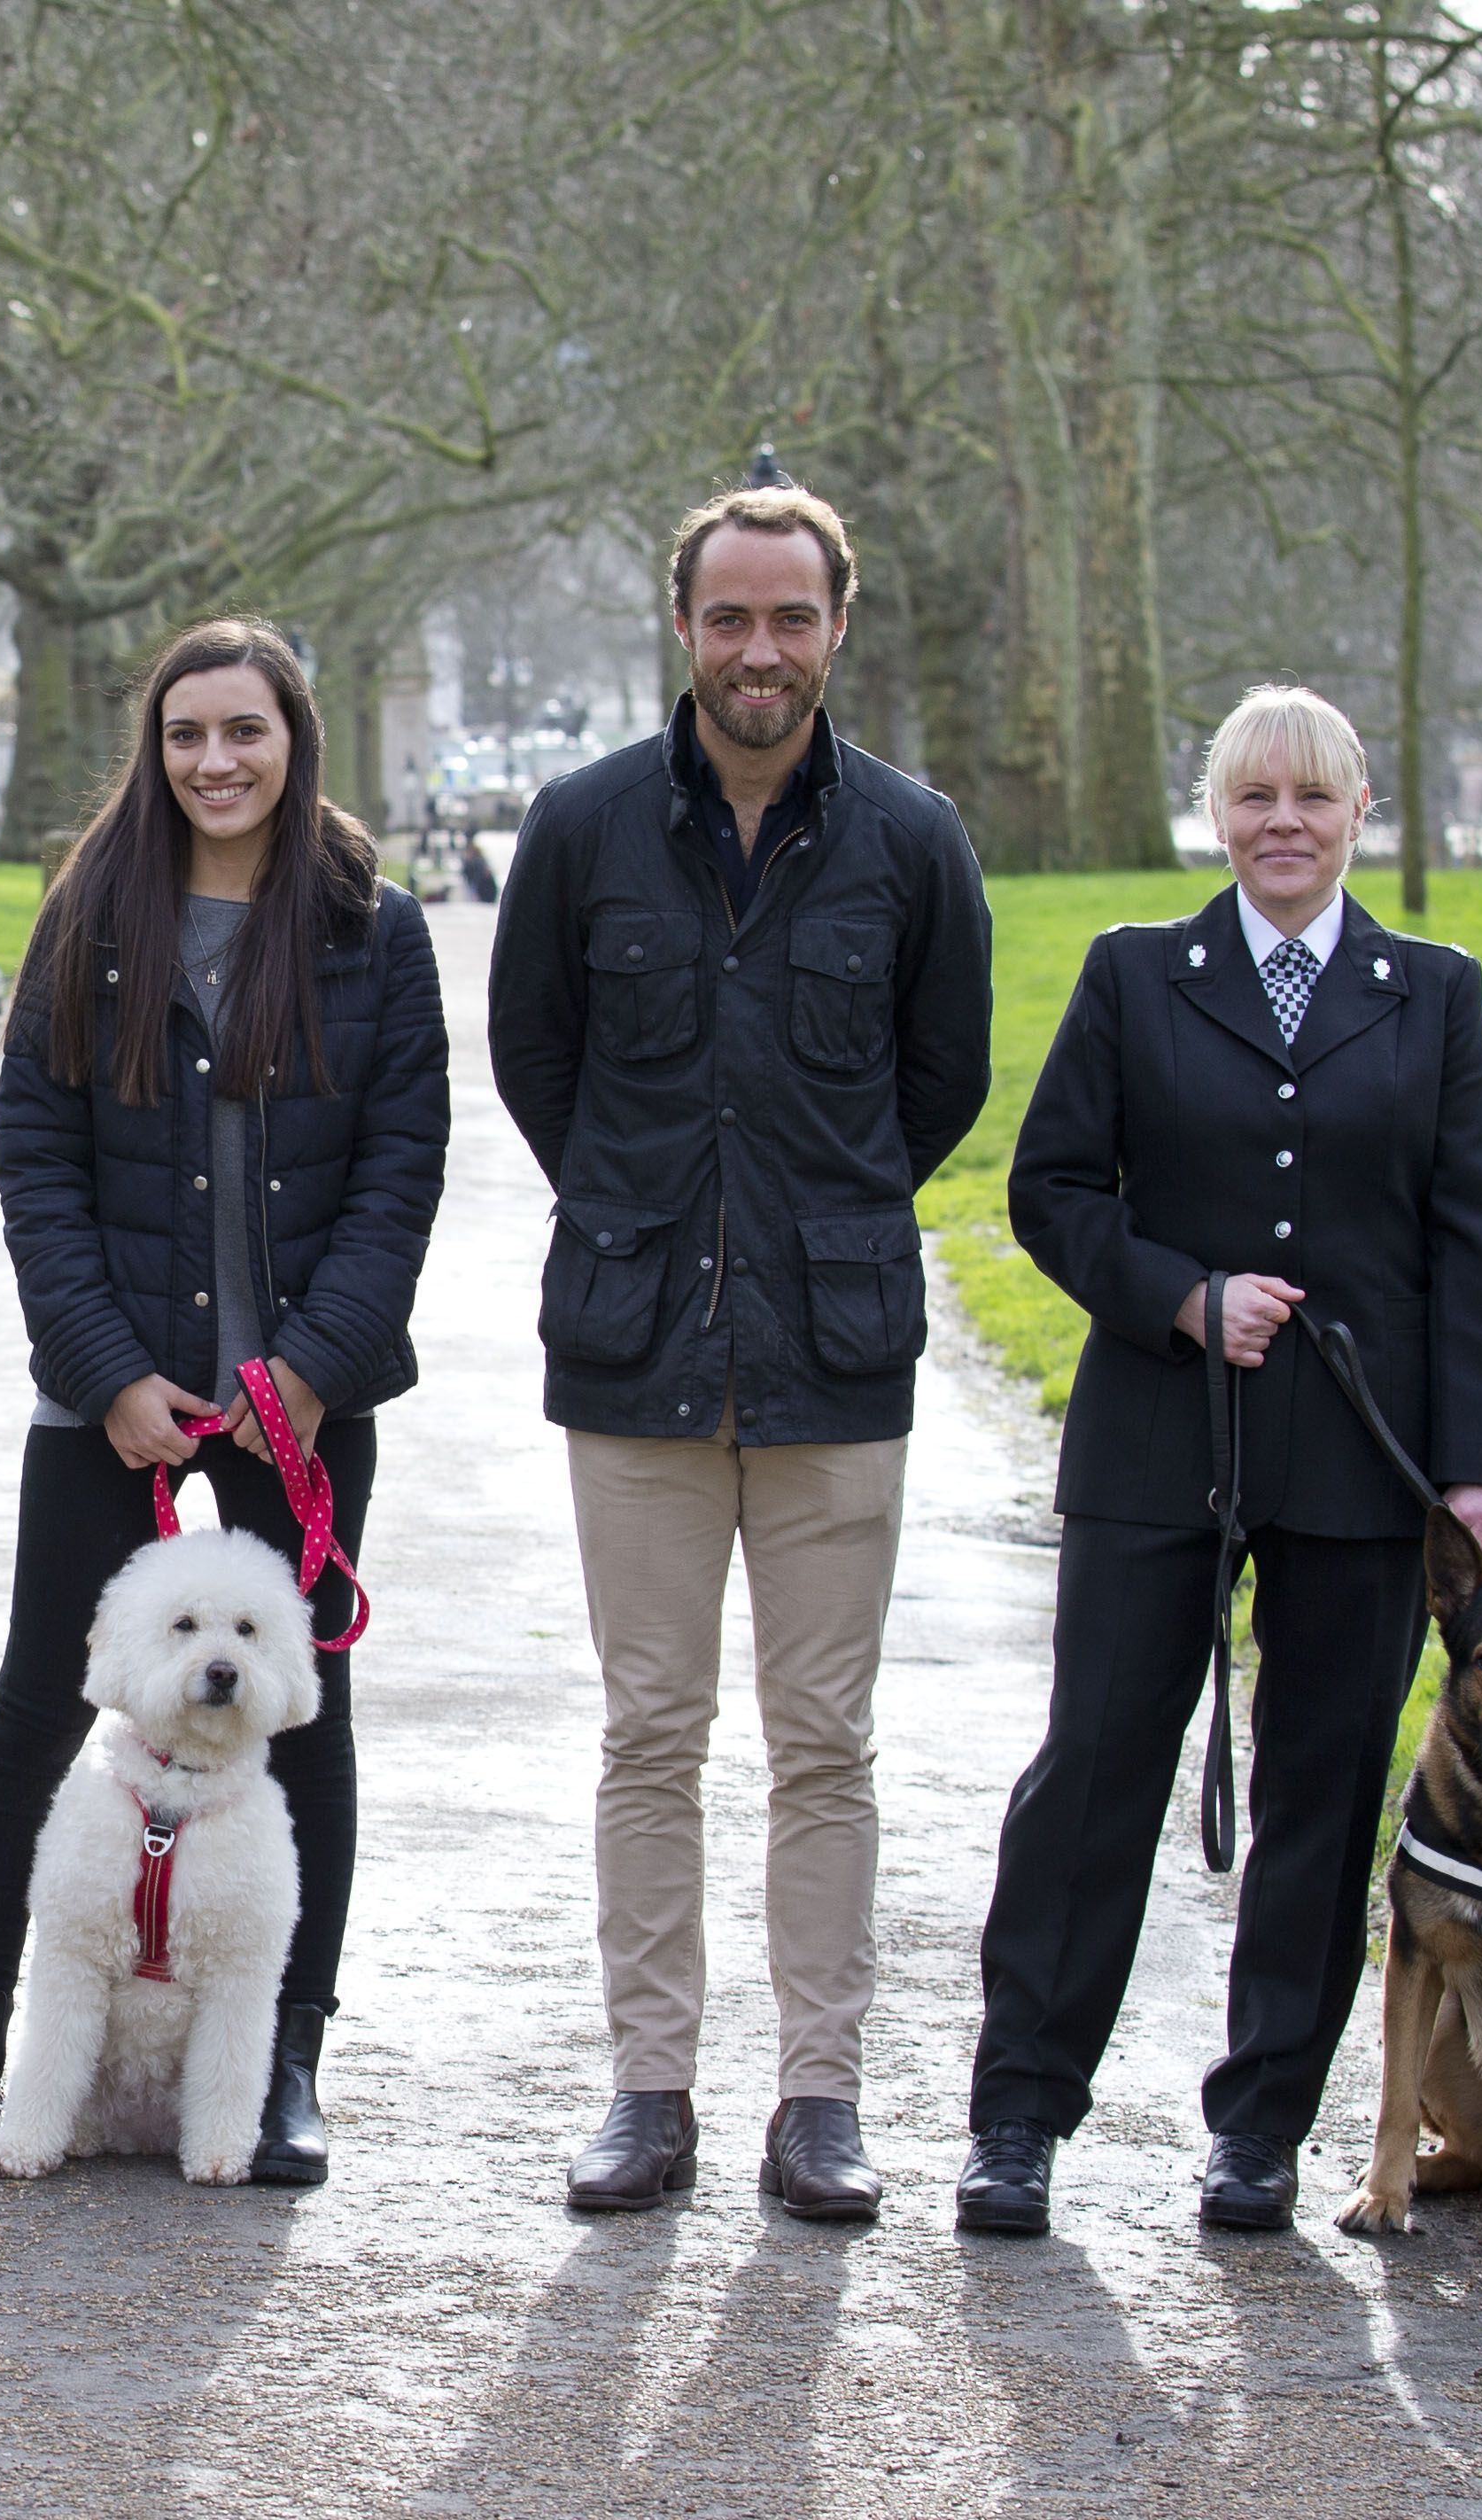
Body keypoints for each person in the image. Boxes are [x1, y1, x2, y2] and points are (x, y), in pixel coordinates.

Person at [485, 483, 992, 2221]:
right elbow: (533, 1063)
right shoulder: (581, 828)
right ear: (682, 627)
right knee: (647, 1728)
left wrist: (809, 1225)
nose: (757, 650)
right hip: (631, 1352)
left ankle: (818, 2098)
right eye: (728, 618)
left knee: (823, 1737)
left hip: (831, 1352)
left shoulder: (912, 843)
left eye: (789, 618)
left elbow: (939, 1083)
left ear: (832, 626)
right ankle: (647, 2087)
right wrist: (644, 1215)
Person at [957, 685, 1482, 2238]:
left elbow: (1476, 1235)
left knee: (1325, 1791)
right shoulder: (1137, 977)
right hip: (1158, 1436)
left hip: (1364, 1459)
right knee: (1095, 1775)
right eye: (1256, 796)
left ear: (1359, 816)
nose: (1285, 822)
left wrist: (1478, 1473)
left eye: (1316, 798)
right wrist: (1181, 1297)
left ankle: (1262, 2127)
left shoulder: (1434, 992)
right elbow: (1053, 1187)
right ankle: (1019, 2116)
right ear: (1217, 812)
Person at [0, 618, 449, 2185]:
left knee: (306, 1722)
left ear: (296, 741)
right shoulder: (94, 915)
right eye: (188, 733)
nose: (216, 762)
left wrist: (307, 1372)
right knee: (35, 1708)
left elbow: (401, 1178)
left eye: (246, 733)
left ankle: (283, 2061)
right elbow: (37, 1162)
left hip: (302, 1399)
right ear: (157, 747)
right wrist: (105, 1371)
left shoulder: (371, 930)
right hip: (113, 1392)